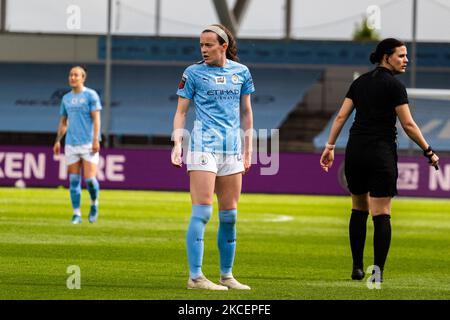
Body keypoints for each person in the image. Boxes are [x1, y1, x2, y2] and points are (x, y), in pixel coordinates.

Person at [319, 38, 439, 282]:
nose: (406, 60)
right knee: (382, 213)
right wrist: (428, 150)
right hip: (380, 153)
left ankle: (356, 267)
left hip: (356, 151)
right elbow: (408, 124)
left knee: (358, 208)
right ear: (387, 56)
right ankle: (377, 274)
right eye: (401, 55)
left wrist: (329, 146)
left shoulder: (359, 82)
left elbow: (341, 117)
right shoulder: (395, 86)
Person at [171, 24, 255, 290]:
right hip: (202, 146)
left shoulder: (241, 72)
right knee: (203, 212)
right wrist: (177, 143)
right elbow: (181, 112)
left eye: (208, 45)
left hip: (231, 149)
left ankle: (226, 275)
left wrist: (248, 148)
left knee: (230, 216)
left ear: (224, 46)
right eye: (201, 45)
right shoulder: (193, 72)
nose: (204, 50)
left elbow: (246, 113)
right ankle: (195, 277)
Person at [53, 66, 102, 225]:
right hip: (71, 144)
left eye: (76, 75)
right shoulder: (66, 98)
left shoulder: (91, 95)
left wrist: (96, 139)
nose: (72, 77)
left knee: (89, 180)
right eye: (71, 75)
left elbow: (96, 119)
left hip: (88, 143)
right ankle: (77, 214)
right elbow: (63, 122)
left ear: (83, 78)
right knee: (74, 180)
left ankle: (94, 203)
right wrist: (57, 140)